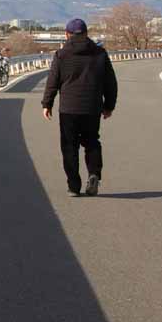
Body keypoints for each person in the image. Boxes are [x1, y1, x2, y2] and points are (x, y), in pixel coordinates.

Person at [41, 18, 118, 197]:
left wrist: (47, 103)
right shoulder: (100, 54)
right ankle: (93, 174)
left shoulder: (61, 55)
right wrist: (109, 106)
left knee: (69, 146)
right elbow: (110, 83)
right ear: (86, 34)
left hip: (68, 108)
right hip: (92, 107)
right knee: (92, 142)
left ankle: (73, 185)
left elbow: (53, 82)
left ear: (67, 34)